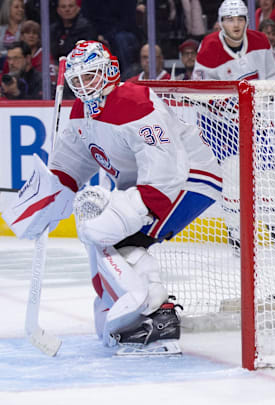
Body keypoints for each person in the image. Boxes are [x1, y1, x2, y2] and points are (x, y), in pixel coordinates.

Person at [3, 40, 221, 354]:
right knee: (104, 236)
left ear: (110, 71)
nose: (82, 85)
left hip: (190, 179)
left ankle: (156, 315)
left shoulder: (135, 102)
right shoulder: (81, 111)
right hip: (152, 185)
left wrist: (137, 209)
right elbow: (69, 165)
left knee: (114, 238)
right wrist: (47, 201)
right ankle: (144, 313)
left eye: (90, 76)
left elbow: (166, 168)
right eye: (76, 79)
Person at [192, 0, 275, 81]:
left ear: (246, 22)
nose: (236, 25)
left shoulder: (261, 41)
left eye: (240, 19)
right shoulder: (209, 47)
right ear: (221, 23)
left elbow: (273, 75)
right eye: (230, 20)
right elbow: (202, 89)